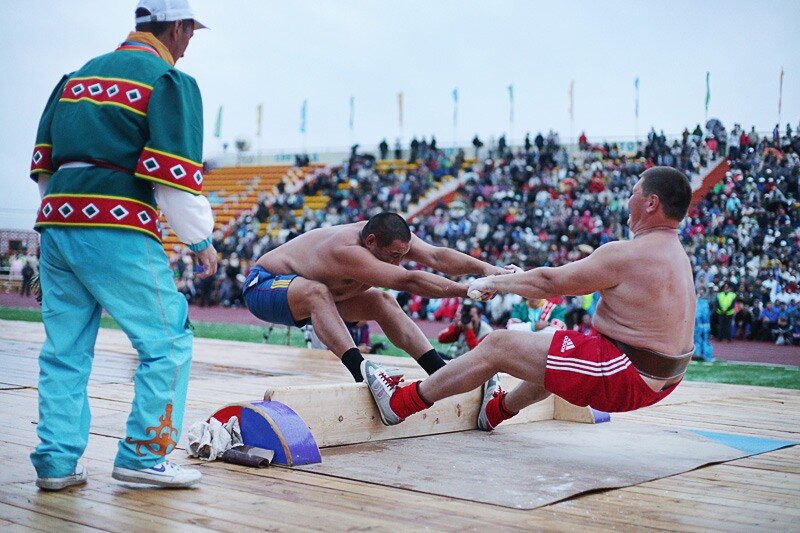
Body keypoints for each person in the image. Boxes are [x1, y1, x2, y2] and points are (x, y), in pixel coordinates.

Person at [29, 0, 217, 491]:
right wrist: (201, 242)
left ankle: (56, 462)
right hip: (118, 226)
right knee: (168, 342)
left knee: (64, 351)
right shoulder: (166, 81)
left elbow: (46, 170)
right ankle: (144, 454)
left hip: (57, 224)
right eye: (190, 33)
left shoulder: (74, 80)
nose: (189, 44)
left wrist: (57, 230)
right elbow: (175, 180)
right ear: (176, 28)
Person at [361, 166, 696, 429]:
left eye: (635, 193)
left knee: (498, 345)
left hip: (625, 375)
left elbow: (551, 283)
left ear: (651, 203)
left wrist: (496, 281)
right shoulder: (678, 256)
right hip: (664, 380)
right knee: (556, 348)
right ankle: (496, 410)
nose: (628, 200)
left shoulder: (629, 254)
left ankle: (400, 403)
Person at [243, 212, 516, 382]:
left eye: (403, 254)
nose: (398, 261)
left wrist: (487, 270)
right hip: (263, 286)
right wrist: (466, 289)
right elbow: (408, 280)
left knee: (382, 302)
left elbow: (435, 256)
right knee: (317, 292)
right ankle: (362, 372)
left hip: (311, 293)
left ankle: (439, 372)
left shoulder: (391, 237)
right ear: (371, 242)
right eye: (394, 256)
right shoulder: (346, 249)